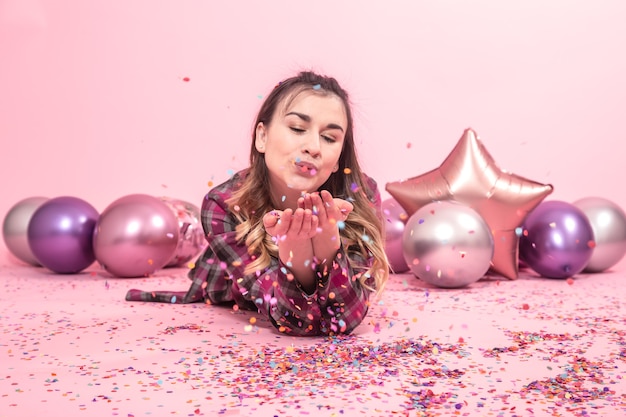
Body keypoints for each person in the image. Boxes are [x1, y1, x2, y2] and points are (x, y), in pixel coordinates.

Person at [126, 71, 389, 336]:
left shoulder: (361, 197)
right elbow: (297, 322)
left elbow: (342, 322)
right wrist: (293, 250)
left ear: (338, 160)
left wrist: (328, 243)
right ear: (261, 137)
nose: (313, 147)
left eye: (330, 138)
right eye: (297, 129)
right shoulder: (224, 205)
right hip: (236, 287)